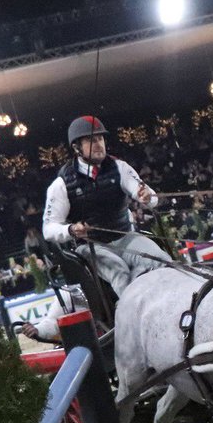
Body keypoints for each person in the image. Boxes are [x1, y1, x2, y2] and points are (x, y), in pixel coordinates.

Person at [42, 115, 171, 297]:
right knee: (120, 272)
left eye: (100, 138)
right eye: (91, 140)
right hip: (92, 245)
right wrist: (70, 230)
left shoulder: (119, 167)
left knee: (163, 261)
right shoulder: (61, 184)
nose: (98, 144)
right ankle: (130, 320)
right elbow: (48, 229)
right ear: (76, 147)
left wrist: (146, 197)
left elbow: (149, 196)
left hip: (125, 237)